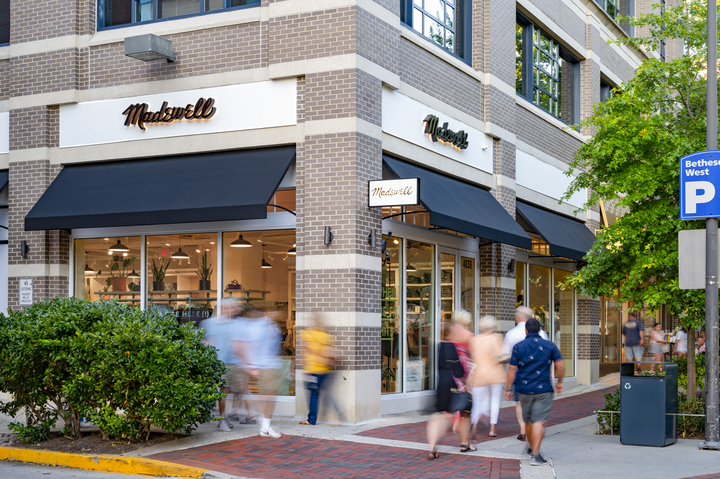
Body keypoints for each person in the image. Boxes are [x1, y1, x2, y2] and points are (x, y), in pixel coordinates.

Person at [505, 318, 564, 466]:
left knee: (529, 421)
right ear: (539, 330)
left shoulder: (518, 347)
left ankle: (531, 448)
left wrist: (508, 388)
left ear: (526, 331)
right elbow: (560, 365)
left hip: (524, 389)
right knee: (539, 421)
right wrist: (560, 381)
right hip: (543, 388)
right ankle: (535, 455)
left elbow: (512, 369)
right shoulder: (549, 345)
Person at [200, 299, 253, 431]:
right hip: (221, 363)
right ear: (222, 309)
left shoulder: (235, 324)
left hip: (236, 363)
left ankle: (234, 413)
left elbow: (240, 344)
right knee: (223, 391)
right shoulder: (209, 323)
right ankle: (222, 418)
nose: (233, 309)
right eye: (230, 307)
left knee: (240, 389)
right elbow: (204, 341)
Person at [232, 304, 283, 439]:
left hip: (269, 365)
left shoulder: (268, 325)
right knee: (268, 396)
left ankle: (265, 426)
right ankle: (265, 426)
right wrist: (251, 367)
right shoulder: (257, 326)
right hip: (264, 366)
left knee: (266, 396)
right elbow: (242, 346)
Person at [426, 319, 475, 460]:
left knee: (438, 415)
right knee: (465, 412)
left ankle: (431, 447)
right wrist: (466, 385)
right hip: (454, 384)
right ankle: (464, 443)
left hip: (442, 383)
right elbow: (457, 369)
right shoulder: (453, 347)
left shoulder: (441, 345)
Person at [503, 306, 548, 441]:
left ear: (518, 317)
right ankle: (536, 426)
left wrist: (507, 385)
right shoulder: (543, 333)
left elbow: (507, 357)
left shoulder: (511, 334)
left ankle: (523, 430)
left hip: (520, 371)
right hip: (540, 372)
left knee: (520, 402)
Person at [299, 314, 343, 426]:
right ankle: (337, 415)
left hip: (313, 369)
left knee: (313, 394)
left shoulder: (307, 334)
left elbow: (305, 350)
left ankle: (311, 420)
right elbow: (331, 351)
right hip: (326, 370)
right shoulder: (326, 336)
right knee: (326, 394)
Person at [468, 315, 506, 438]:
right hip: (495, 374)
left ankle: (474, 425)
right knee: (495, 401)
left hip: (480, 374)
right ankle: (492, 429)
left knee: (477, 402)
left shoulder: (474, 340)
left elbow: (472, 358)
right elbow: (499, 355)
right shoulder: (497, 338)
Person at [449, 310, 474, 434]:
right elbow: (472, 353)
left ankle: (454, 420)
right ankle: (457, 424)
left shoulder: (451, 331)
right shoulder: (469, 334)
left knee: (456, 391)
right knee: (463, 392)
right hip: (463, 365)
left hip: (451, 364)